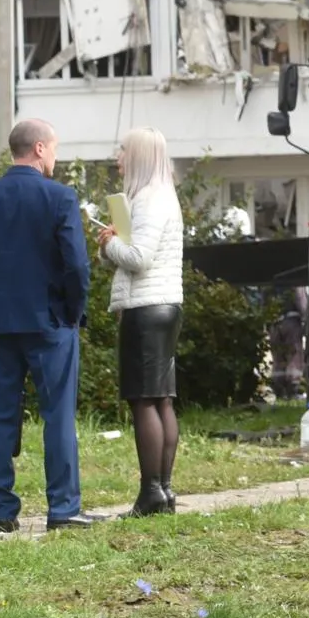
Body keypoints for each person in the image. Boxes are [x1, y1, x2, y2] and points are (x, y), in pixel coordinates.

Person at [0, 118, 97, 533]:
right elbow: (76, 264)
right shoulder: (60, 197)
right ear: (39, 149)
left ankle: (3, 510)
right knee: (57, 415)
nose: (55, 156)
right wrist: (74, 313)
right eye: (53, 149)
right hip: (50, 322)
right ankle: (63, 508)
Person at [97, 127, 186, 517]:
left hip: (146, 309)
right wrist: (112, 244)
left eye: (123, 151)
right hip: (166, 305)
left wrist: (108, 243)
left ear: (139, 157)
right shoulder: (163, 195)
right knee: (161, 398)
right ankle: (163, 489)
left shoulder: (149, 200)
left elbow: (138, 258)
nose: (119, 158)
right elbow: (128, 254)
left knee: (143, 400)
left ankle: (151, 491)